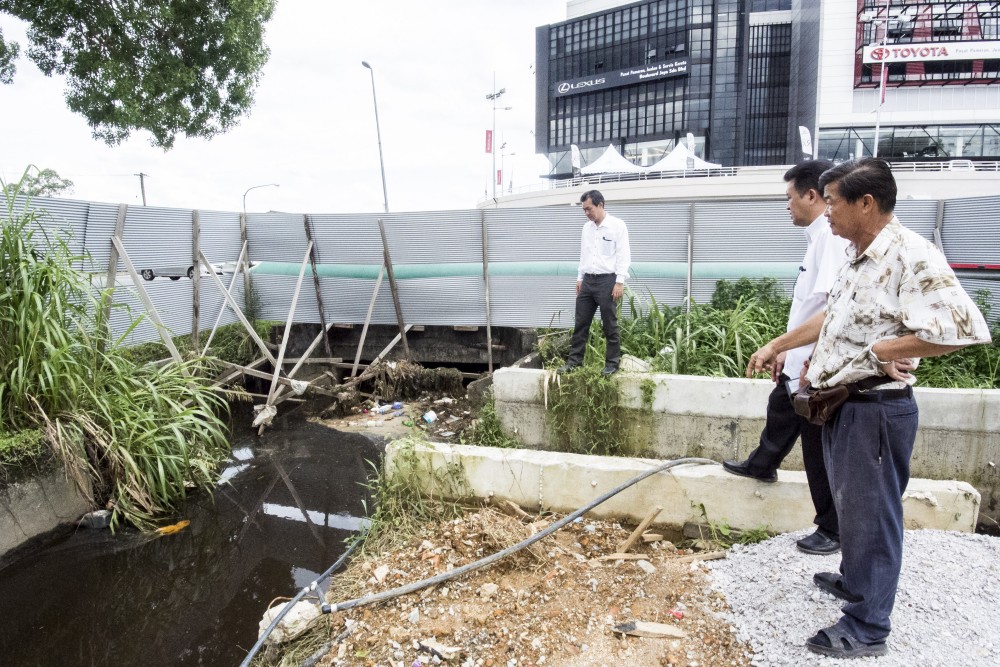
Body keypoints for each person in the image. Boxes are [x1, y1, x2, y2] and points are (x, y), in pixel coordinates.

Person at [745, 158, 991, 659]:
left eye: (833, 202)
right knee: (852, 510)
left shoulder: (910, 253)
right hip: (844, 407)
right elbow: (832, 318)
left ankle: (867, 627)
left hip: (875, 410)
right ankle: (855, 583)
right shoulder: (858, 256)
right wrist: (779, 345)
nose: (826, 211)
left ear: (866, 203)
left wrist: (883, 351)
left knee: (873, 518)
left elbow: (964, 329)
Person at [722, 159, 850, 556]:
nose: (787, 205)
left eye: (790, 197)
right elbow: (808, 305)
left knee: (816, 449)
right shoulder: (818, 238)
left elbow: (831, 311)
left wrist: (782, 348)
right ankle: (762, 464)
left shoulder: (830, 240)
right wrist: (788, 351)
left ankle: (832, 528)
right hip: (802, 359)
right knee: (781, 405)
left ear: (811, 196)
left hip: (817, 368)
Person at [559, 190, 631, 376]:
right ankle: (574, 362)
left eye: (589, 209)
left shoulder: (617, 226)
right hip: (588, 281)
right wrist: (580, 277)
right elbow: (584, 254)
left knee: (609, 324)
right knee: (581, 323)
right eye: (584, 210)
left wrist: (619, 282)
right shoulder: (586, 228)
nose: (586, 213)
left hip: (608, 281)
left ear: (601, 205)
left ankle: (612, 364)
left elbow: (623, 255)